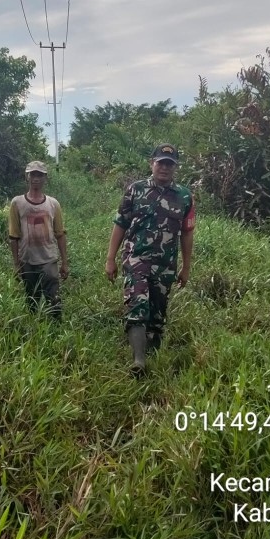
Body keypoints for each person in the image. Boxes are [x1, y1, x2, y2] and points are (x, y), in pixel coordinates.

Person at [105, 144, 195, 375]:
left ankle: (153, 354)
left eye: (169, 164)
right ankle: (139, 361)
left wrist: (186, 267)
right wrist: (110, 258)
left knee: (157, 314)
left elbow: (187, 233)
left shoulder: (185, 196)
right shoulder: (135, 190)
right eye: (160, 162)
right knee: (137, 304)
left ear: (175, 167)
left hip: (165, 264)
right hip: (136, 258)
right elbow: (120, 224)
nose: (164, 167)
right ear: (151, 163)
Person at [9, 160, 69, 319]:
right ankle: (34, 328)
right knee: (31, 300)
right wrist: (16, 264)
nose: (36, 178)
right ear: (27, 177)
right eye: (33, 174)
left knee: (54, 300)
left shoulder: (53, 204)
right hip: (27, 260)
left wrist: (64, 262)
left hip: (48, 259)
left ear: (45, 178)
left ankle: (56, 328)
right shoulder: (17, 203)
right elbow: (14, 236)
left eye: (40, 175)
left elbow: (60, 234)